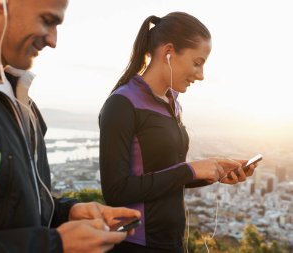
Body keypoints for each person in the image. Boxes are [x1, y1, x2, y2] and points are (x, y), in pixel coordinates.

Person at [0, 0, 141, 252]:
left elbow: (14, 207)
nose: (54, 41)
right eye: (47, 20)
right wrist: (55, 246)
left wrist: (67, 214)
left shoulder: (21, 101)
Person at [99, 12, 258, 253]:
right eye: (197, 62)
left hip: (172, 242)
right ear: (169, 52)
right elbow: (116, 191)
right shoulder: (122, 104)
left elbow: (166, 176)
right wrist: (191, 169)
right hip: (136, 243)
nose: (201, 75)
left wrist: (211, 173)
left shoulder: (173, 102)